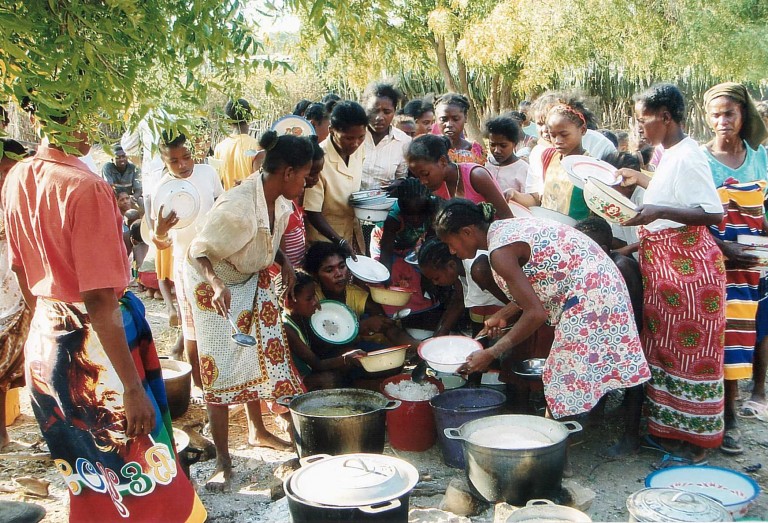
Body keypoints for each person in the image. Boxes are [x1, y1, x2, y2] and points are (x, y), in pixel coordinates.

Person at [3, 123, 205, 522]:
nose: (92, 128)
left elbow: (24, 275)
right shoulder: (85, 187)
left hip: (46, 342)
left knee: (89, 479)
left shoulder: (18, 176)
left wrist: (48, 326)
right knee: (144, 478)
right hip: (96, 357)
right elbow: (98, 298)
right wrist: (132, 388)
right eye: (85, 115)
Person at [433, 200, 650, 454]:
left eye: (450, 243)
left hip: (591, 294)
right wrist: (504, 313)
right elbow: (542, 281)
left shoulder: (499, 252)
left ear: (467, 232)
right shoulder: (505, 230)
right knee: (617, 358)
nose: (451, 251)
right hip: (601, 283)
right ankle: (595, 437)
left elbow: (536, 313)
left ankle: (550, 453)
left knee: (561, 373)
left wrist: (492, 352)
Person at [184, 130, 310, 491]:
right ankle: (224, 460)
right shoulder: (237, 207)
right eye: (303, 175)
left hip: (251, 276)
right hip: (213, 284)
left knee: (260, 357)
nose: (305, 182)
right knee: (221, 370)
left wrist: (283, 260)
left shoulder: (280, 200)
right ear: (287, 172)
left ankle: (258, 430)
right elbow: (198, 251)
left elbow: (266, 237)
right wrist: (217, 284)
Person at [618, 83, 726, 463]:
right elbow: (675, 197)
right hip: (665, 267)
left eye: (643, 119)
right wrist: (642, 184)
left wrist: (657, 212)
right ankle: (673, 433)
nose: (640, 127)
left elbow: (713, 214)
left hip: (688, 273)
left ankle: (694, 440)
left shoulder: (689, 156)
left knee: (688, 355)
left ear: (665, 117)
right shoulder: (669, 154)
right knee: (667, 353)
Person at [701, 82, 768, 454]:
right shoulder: (699, 158)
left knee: (756, 329)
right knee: (726, 336)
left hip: (758, 258)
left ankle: (755, 394)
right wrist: (722, 246)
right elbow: (692, 214)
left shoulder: (761, 157)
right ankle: (728, 418)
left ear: (744, 115)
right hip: (715, 260)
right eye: (716, 114)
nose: (722, 121)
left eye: (730, 113)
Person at [152, 132, 224, 393]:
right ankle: (200, 386)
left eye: (186, 157)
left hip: (217, 259)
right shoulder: (162, 190)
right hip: (186, 264)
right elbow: (161, 242)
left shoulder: (208, 174)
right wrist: (160, 231)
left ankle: (223, 379)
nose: (183, 165)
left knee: (220, 321)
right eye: (174, 161)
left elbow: (220, 208)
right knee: (191, 327)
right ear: (164, 161)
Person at [305, 242, 418, 353]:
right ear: (315, 275)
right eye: (329, 270)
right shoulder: (311, 298)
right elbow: (316, 342)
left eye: (342, 266)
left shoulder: (357, 295)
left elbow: (388, 327)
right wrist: (359, 327)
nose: (339, 274)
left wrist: (421, 349)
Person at [304, 100, 368, 255]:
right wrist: (338, 240)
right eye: (348, 138)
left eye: (361, 137)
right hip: (324, 239)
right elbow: (312, 211)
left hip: (351, 231)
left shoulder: (358, 150)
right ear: (332, 130)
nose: (356, 143)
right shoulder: (318, 159)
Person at [283, 271, 365, 390]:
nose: (316, 302)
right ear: (289, 302)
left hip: (309, 372)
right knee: (328, 379)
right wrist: (346, 358)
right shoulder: (286, 327)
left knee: (344, 365)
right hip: (295, 381)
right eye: (309, 298)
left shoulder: (302, 317)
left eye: (315, 295)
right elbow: (317, 364)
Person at [370, 178, 441, 315]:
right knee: (392, 281)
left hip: (410, 245)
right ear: (402, 210)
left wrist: (427, 277)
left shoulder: (433, 209)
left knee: (416, 277)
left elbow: (429, 242)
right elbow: (386, 252)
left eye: (419, 215)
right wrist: (386, 279)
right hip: (385, 246)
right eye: (409, 215)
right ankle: (392, 315)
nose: (415, 219)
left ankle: (418, 313)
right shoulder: (393, 219)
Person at [0, 139, 31, 451]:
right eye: (4, 172)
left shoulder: (24, 199)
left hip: (19, 292)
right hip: (4, 293)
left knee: (16, 367)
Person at [406, 134, 512, 219]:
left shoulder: (476, 176)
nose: (423, 181)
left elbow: (507, 218)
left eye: (425, 174)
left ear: (442, 161)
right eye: (418, 177)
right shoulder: (435, 187)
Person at [417, 237, 507, 337]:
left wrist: (501, 319)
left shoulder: (479, 271)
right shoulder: (458, 270)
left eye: (436, 278)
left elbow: (517, 304)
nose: (435, 283)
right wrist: (440, 333)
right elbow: (459, 300)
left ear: (451, 266)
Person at [281, 136, 324, 269]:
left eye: (319, 173)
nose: (316, 179)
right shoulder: (280, 203)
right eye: (311, 174)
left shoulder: (296, 196)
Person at [360, 82, 411, 191]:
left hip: (385, 205)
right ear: (365, 110)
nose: (380, 117)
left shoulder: (403, 142)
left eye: (387, 112)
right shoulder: (354, 136)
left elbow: (402, 177)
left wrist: (397, 184)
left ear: (394, 111)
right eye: (374, 111)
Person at [214, 98, 259, 190]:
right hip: (249, 201)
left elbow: (218, 183)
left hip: (228, 201)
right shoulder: (256, 147)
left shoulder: (219, 148)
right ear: (249, 117)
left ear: (228, 121)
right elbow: (259, 182)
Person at [434, 93, 486, 164]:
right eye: (443, 119)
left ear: (465, 118)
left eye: (456, 119)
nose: (449, 124)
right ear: (436, 119)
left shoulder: (475, 151)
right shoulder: (429, 149)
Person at [484, 115, 529, 198]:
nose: (497, 150)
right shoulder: (485, 164)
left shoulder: (523, 169)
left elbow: (530, 200)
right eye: (492, 145)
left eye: (503, 145)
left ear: (514, 144)